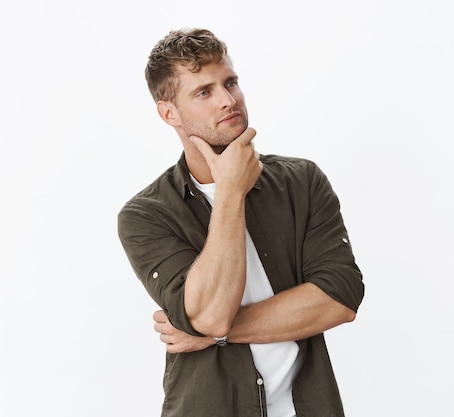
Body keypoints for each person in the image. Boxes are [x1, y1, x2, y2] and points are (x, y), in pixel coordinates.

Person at [117, 28, 365, 417]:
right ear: (169, 113)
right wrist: (230, 192)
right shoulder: (146, 215)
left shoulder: (301, 182)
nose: (228, 100)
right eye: (204, 92)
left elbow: (339, 298)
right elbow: (210, 313)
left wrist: (211, 334)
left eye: (230, 83)